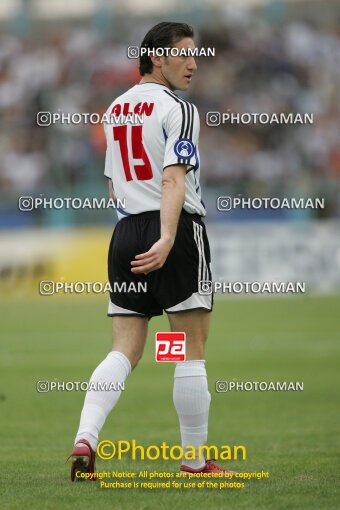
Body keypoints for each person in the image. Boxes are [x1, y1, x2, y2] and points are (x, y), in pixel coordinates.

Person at [70, 21, 232, 481]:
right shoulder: (178, 108)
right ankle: (194, 462)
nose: (194, 63)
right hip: (173, 230)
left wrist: (136, 232)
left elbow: (110, 184)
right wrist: (165, 236)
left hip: (125, 234)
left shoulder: (115, 109)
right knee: (188, 348)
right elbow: (172, 179)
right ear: (157, 57)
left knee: (124, 348)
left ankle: (86, 437)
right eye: (185, 54)